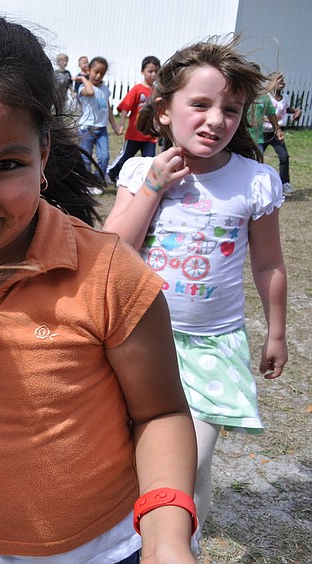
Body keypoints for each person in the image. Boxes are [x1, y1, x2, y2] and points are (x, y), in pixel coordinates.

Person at [0, 12, 197, 564]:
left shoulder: (110, 275)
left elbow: (160, 414)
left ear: (43, 152)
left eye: (5, 164)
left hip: (111, 551)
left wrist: (166, 540)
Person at [103, 38, 288, 555]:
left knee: (191, 459)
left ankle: (181, 545)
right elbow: (114, 248)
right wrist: (154, 187)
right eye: (200, 105)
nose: (216, 119)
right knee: (131, 453)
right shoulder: (142, 173)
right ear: (164, 111)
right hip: (138, 341)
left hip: (211, 346)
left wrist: (276, 333)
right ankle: (135, 538)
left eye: (230, 109)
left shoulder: (255, 182)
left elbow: (269, 263)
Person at [107, 56, 160, 183]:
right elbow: (125, 107)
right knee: (125, 156)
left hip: (150, 136)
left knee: (150, 160)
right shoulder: (137, 89)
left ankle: (145, 182)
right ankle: (111, 174)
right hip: (134, 133)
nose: (153, 74)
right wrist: (121, 125)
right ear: (142, 71)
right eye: (150, 71)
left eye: (156, 71)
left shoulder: (157, 92)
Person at [76, 56, 123, 194]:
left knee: (104, 157)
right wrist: (84, 78)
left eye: (102, 73)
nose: (98, 76)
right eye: (95, 72)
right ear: (88, 70)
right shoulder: (83, 88)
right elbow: (90, 92)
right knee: (86, 158)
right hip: (86, 128)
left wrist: (114, 125)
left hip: (101, 128)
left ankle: (97, 181)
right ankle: (86, 183)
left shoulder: (105, 89)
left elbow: (107, 108)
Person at [263, 72, 302, 195]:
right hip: (263, 132)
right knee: (256, 158)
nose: (282, 82)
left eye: (283, 80)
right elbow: (258, 113)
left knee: (284, 156)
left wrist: (296, 111)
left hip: (277, 132)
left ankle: (285, 183)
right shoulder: (266, 97)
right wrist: (270, 118)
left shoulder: (285, 97)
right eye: (278, 80)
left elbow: (285, 108)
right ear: (271, 82)